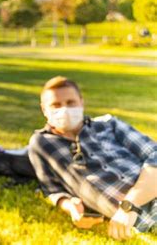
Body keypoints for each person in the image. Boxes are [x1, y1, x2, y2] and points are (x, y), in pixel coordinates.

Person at [28, 76, 156, 241]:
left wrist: (128, 206)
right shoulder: (42, 144)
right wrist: (70, 206)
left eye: (70, 102)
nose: (64, 110)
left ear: (81, 102)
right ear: (44, 110)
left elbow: (154, 154)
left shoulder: (109, 124)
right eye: (56, 105)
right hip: (143, 219)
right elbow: (51, 189)